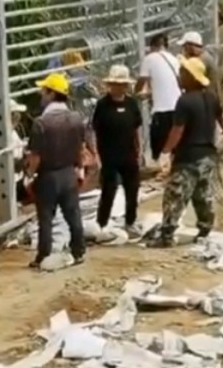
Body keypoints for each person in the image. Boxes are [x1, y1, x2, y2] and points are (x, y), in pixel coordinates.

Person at [151, 57, 223, 248]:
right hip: (208, 155)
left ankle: (167, 236)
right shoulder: (211, 97)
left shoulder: (185, 101)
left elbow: (177, 131)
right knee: (202, 195)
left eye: (182, 73)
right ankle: (205, 229)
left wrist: (166, 151)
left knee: (175, 195)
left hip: (188, 156)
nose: (179, 76)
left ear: (191, 77)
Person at [24, 72, 87, 269]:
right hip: (69, 173)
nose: (41, 94)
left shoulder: (41, 123)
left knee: (45, 219)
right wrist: (80, 168)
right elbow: (81, 148)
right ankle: (79, 250)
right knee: (73, 215)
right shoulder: (76, 118)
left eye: (44, 90)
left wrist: (29, 175)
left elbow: (36, 156)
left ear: (51, 94)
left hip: (48, 176)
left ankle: (43, 255)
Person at [91, 65, 142, 231]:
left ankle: (130, 221)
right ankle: (102, 223)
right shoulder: (102, 105)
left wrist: (139, 150)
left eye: (121, 84)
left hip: (129, 154)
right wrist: (96, 155)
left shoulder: (132, 104)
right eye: (114, 84)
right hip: (109, 156)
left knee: (132, 190)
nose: (117, 88)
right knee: (108, 191)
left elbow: (136, 129)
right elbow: (94, 131)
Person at [135, 33, 181, 163]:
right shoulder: (174, 59)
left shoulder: (149, 59)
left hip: (161, 111)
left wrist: (134, 94)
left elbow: (140, 83)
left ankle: (162, 171)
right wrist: (151, 94)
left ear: (153, 46)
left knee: (159, 146)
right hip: (178, 108)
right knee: (175, 145)